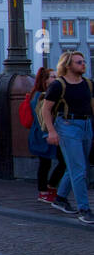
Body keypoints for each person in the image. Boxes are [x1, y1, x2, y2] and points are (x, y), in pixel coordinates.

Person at [41, 50, 94, 222]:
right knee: (79, 170)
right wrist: (52, 131)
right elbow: (46, 109)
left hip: (86, 125)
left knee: (79, 166)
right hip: (67, 126)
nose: (83, 64)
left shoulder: (88, 83)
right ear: (68, 65)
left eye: (84, 61)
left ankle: (60, 197)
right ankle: (84, 209)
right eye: (79, 62)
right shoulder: (58, 85)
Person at [30, 66, 63, 204]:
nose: (56, 79)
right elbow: (41, 118)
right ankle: (44, 191)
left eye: (57, 76)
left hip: (47, 133)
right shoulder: (41, 96)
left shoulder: (47, 93)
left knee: (54, 162)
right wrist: (48, 133)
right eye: (53, 77)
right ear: (45, 80)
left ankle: (49, 187)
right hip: (43, 134)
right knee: (45, 163)